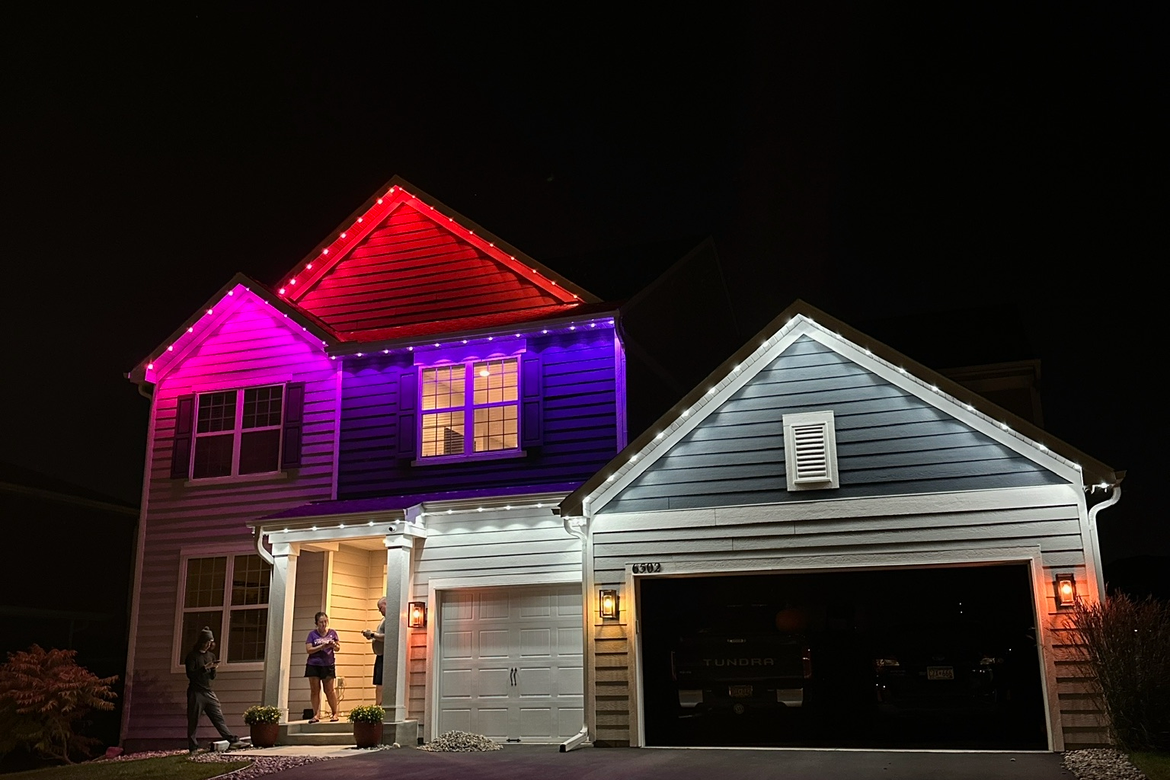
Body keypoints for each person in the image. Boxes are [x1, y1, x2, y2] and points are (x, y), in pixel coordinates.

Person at [184, 627, 244, 753]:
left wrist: (213, 668)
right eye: (207, 642)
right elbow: (191, 674)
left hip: (208, 691)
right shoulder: (192, 656)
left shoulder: (211, 655)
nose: (209, 645)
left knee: (218, 716)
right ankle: (193, 747)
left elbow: (212, 676)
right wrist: (204, 668)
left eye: (211, 642)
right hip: (196, 692)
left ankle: (232, 740)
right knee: (193, 719)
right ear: (202, 642)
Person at [305, 611, 341, 722]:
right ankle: (316, 714)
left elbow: (338, 648)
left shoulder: (332, 633)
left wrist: (333, 645)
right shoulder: (312, 635)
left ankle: (335, 713)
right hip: (314, 664)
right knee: (315, 690)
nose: (323, 624)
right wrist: (321, 646)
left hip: (328, 664)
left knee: (329, 690)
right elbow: (309, 649)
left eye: (325, 621)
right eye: (321, 622)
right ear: (316, 623)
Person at [361, 597, 387, 705]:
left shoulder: (390, 620)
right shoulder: (383, 620)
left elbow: (387, 637)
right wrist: (371, 636)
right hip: (380, 655)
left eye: (380, 608)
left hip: (385, 656)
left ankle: (379, 706)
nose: (380, 611)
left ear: (386, 604)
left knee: (381, 682)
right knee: (378, 682)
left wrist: (372, 634)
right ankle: (378, 705)